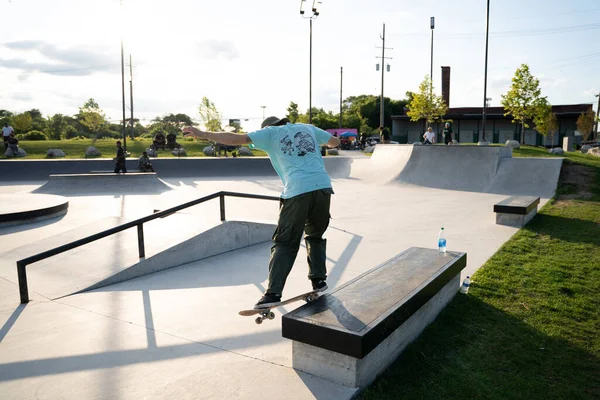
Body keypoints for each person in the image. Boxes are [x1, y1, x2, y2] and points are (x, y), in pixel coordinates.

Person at [183, 116, 341, 309]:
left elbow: (235, 139)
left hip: (297, 190)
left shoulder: (269, 133)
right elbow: (335, 142)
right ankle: (319, 280)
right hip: (323, 187)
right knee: (315, 235)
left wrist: (203, 133)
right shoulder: (308, 128)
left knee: (285, 242)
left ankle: (273, 293)